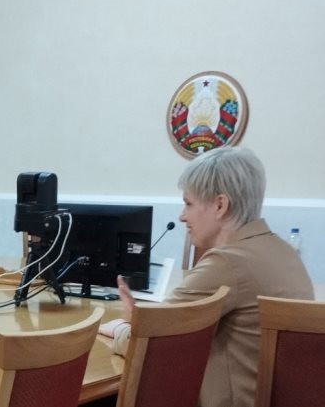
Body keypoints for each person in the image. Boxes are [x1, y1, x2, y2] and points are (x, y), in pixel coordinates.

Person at [98, 147, 313, 407]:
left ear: (220, 205)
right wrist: (142, 322)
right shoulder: (286, 252)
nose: (182, 216)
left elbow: (151, 346)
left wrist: (122, 328)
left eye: (188, 203)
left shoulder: (227, 263)